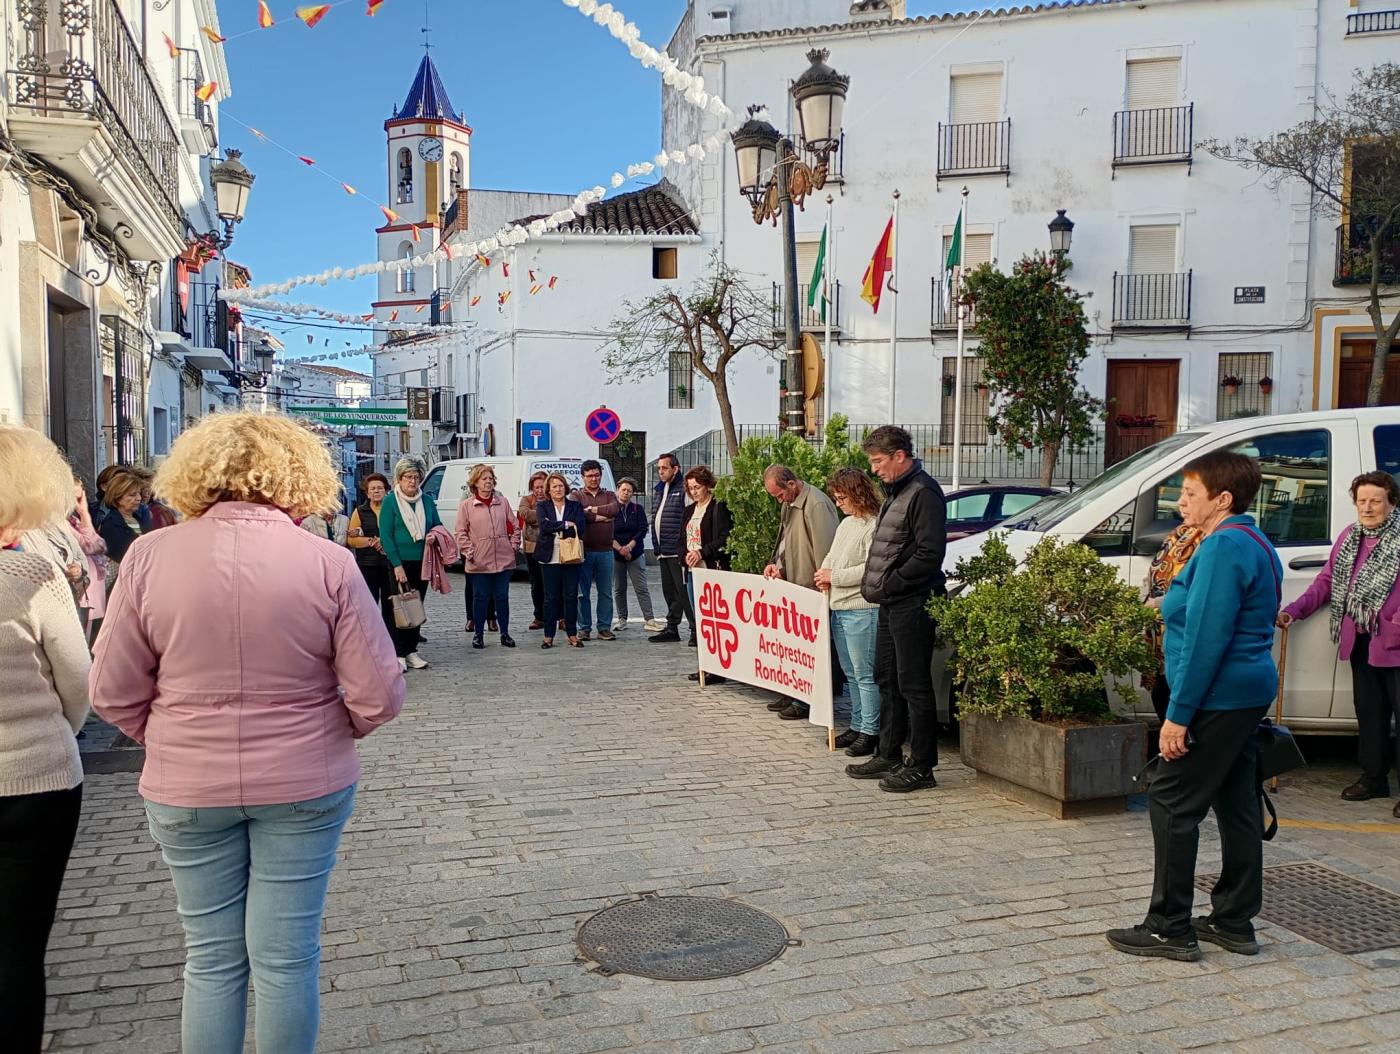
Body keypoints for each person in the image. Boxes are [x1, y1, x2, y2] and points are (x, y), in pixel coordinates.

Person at [89, 411, 404, 1053]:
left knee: (209, 958)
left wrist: (169, 735)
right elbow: (378, 692)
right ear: (298, 476)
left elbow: (111, 691)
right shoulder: (327, 561)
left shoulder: (149, 556)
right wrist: (333, 727)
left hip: (186, 783)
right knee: (287, 958)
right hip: (304, 780)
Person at [1106, 451, 1281, 962]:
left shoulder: (1223, 545)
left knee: (1171, 800)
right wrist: (1164, 604)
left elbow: (1208, 636)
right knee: (1236, 801)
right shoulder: (1250, 537)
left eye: (1189, 493)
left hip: (1218, 694)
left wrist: (1178, 717)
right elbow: (1206, 608)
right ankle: (1233, 920)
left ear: (1222, 499)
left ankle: (1169, 926)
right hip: (1244, 690)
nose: (1180, 501)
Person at [0, 425, 91, 1051]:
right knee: (17, 945)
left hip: (36, 775)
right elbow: (78, 678)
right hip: (35, 776)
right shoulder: (29, 571)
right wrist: (61, 730)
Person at [1280, 470, 1400, 817]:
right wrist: (1294, 610)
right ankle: (1373, 778)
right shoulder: (1351, 537)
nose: (1368, 507)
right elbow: (1326, 581)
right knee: (1370, 713)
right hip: (1362, 638)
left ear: (1392, 503)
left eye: (1375, 501)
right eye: (1362, 501)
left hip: (1395, 640)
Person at [847, 426, 947, 794]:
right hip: (893, 602)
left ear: (899, 456)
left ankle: (922, 766)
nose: (874, 469)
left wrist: (892, 583)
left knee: (913, 684)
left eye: (878, 461)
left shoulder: (923, 492)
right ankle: (888, 753)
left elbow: (929, 553)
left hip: (914, 600)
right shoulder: (897, 491)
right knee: (886, 677)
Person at [761, 464, 839, 721]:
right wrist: (776, 565)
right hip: (794, 586)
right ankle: (794, 692)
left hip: (810, 589)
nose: (779, 500)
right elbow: (786, 542)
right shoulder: (790, 503)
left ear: (792, 484)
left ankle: (805, 700)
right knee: (795, 647)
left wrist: (821, 587)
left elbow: (826, 552)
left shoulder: (816, 505)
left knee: (811, 650)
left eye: (780, 494)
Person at [816, 469, 882, 756]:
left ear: (857, 495)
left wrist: (835, 577)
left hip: (861, 609)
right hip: (840, 608)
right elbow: (832, 555)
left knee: (865, 674)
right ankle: (857, 724)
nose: (838, 502)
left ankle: (870, 730)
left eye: (842, 497)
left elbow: (870, 568)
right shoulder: (846, 524)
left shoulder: (874, 526)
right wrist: (823, 572)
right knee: (851, 674)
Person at [378, 456, 442, 672]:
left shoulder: (427, 501)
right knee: (399, 607)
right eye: (408, 477)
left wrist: (433, 534)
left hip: (422, 561)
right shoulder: (390, 501)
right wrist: (397, 564)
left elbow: (437, 524)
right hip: (399, 562)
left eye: (416, 477)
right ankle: (398, 652)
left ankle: (411, 649)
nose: (412, 481)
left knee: (416, 605)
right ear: (399, 479)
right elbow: (386, 535)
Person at [1143, 524, 1204, 739]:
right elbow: (1155, 573)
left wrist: (1158, 603)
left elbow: (1197, 591)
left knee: (1180, 699)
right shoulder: (1180, 533)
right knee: (1161, 692)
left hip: (1183, 632)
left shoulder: (1212, 540)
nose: (1183, 507)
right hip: (1159, 636)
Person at [455, 463, 521, 650]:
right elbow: (460, 532)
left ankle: (505, 633)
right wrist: (470, 552)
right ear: (475, 482)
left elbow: (515, 526)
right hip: (479, 560)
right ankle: (478, 634)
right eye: (484, 479)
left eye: (491, 479)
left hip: (503, 559)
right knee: (480, 597)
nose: (488, 482)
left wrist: (513, 547)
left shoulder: (503, 502)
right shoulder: (466, 506)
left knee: (502, 597)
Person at [680, 466, 733, 671]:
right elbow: (680, 540)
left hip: (711, 570)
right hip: (692, 571)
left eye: (697, 487)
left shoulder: (718, 507)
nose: (694, 492)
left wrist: (702, 552)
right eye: (690, 488)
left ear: (707, 485)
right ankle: (705, 664)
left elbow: (725, 538)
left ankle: (716, 666)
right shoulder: (689, 511)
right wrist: (685, 555)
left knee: (714, 620)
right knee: (699, 619)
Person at [536, 473, 587, 649]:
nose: (558, 489)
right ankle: (548, 635)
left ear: (565, 487)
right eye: (554, 486)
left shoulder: (575, 506)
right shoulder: (542, 506)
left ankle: (572, 634)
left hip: (571, 554)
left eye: (560, 486)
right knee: (550, 597)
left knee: (571, 595)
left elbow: (580, 527)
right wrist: (565, 524)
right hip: (550, 555)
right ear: (548, 490)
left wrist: (554, 525)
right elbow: (543, 526)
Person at [571, 460, 619, 641]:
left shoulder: (609, 494)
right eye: (590, 475)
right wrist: (602, 517)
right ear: (582, 477)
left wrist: (593, 510)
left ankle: (604, 627)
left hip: (606, 551)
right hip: (584, 551)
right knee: (582, 593)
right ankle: (584, 628)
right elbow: (578, 514)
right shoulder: (576, 496)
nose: (594, 479)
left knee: (605, 592)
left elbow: (614, 509)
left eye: (597, 475)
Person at [650, 453, 692, 644]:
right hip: (663, 550)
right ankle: (672, 628)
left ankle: (694, 630)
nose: (660, 471)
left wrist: (684, 547)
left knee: (683, 592)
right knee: (670, 592)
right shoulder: (660, 489)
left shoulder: (683, 489)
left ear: (675, 469)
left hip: (677, 551)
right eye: (659, 468)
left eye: (664, 468)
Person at [348, 473, 394, 641]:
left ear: (386, 491)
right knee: (369, 604)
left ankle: (390, 637)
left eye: (380, 488)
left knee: (391, 604)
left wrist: (385, 542)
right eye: (372, 489)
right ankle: (370, 638)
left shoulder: (393, 509)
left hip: (390, 564)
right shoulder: (360, 511)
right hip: (367, 564)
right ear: (367, 493)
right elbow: (351, 539)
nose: (376, 491)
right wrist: (372, 542)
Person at [612, 477, 662, 632]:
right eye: (623, 490)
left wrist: (629, 547)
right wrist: (620, 549)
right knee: (619, 588)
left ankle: (649, 619)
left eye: (629, 491)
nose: (626, 493)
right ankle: (622, 619)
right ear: (617, 490)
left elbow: (642, 529)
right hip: (616, 554)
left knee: (641, 587)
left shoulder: (637, 509)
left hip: (635, 553)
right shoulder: (611, 509)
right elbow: (607, 532)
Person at [96, 469, 152, 580]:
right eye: (132, 495)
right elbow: (123, 557)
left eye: (138, 493)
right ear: (117, 498)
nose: (139, 498)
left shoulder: (140, 516)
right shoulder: (111, 524)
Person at [518, 470, 549, 630]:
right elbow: (525, 514)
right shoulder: (526, 499)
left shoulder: (553, 499)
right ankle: (539, 616)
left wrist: (539, 517)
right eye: (536, 487)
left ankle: (560, 616)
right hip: (532, 547)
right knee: (536, 583)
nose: (539, 490)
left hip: (551, 545)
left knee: (553, 583)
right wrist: (546, 518)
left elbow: (557, 516)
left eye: (542, 487)